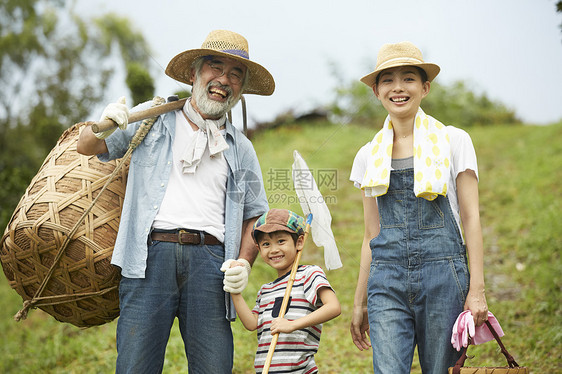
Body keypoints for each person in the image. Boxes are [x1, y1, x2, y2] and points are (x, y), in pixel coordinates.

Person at [76, 29, 275, 373]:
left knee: (214, 366)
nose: (223, 80)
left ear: (241, 89)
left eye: (235, 74)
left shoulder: (240, 147)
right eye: (215, 67)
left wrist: (243, 263)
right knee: (136, 365)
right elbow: (86, 146)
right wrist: (103, 125)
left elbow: (255, 216)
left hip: (212, 264)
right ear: (194, 73)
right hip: (149, 258)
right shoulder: (152, 120)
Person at [348, 41, 488, 373]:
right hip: (387, 280)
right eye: (387, 80)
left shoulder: (454, 140)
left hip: (444, 276)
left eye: (408, 78)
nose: (398, 88)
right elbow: (372, 233)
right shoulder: (368, 155)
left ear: (424, 88)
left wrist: (477, 289)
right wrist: (359, 300)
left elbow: (471, 218)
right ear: (377, 92)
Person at [228, 209, 341, 373]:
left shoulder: (308, 274)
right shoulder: (265, 290)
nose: (273, 249)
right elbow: (252, 324)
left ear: (299, 242)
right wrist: (235, 291)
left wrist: (292, 325)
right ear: (259, 249)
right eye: (266, 244)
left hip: (299, 370)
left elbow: (333, 307)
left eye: (281, 241)